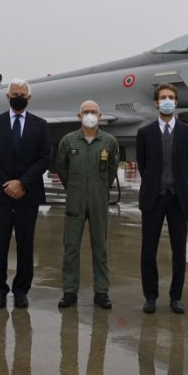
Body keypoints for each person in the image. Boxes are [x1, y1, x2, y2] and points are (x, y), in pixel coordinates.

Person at [0, 78, 52, 309]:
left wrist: (22, 183)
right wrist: (8, 185)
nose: (18, 97)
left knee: (25, 245)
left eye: (22, 94)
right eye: (15, 93)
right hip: (1, 196)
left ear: (29, 98)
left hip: (27, 195)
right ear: (7, 96)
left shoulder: (40, 125)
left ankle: (21, 291)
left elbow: (44, 158)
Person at [136, 83, 188, 314]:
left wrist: (175, 182)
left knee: (179, 250)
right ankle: (150, 296)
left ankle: (176, 297)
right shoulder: (145, 133)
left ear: (176, 102)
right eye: (163, 97)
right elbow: (143, 165)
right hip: (153, 198)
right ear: (156, 103)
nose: (167, 100)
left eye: (171, 97)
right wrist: (156, 183)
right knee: (148, 250)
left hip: (177, 198)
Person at [56, 100, 119, 309]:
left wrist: (99, 189)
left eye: (93, 112)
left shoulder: (109, 142)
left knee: (100, 246)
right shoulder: (68, 141)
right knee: (71, 247)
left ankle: (101, 291)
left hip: (99, 200)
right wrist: (75, 188)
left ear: (100, 116)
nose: (89, 115)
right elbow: (62, 169)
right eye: (86, 112)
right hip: (75, 198)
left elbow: (111, 170)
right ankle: (69, 291)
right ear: (78, 116)